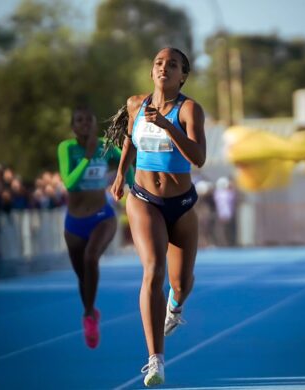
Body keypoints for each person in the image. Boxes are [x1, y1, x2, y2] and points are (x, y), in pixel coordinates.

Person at [110, 47, 206, 387]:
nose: (165, 68)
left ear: (183, 76)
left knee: (182, 282)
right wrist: (122, 173)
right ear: (152, 72)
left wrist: (167, 124)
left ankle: (175, 308)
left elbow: (199, 157)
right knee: (154, 269)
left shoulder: (189, 109)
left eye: (173, 64)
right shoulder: (136, 103)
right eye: (159, 63)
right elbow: (130, 139)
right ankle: (156, 361)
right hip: (143, 198)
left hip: (181, 204)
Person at [57, 106, 134, 349]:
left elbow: (126, 159)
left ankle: (89, 317)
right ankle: (90, 311)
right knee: (83, 276)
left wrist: (132, 185)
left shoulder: (105, 145)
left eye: (89, 120)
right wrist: (88, 157)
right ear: (73, 126)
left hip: (102, 216)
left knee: (91, 259)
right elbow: (69, 182)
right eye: (79, 121)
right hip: (74, 222)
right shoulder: (67, 148)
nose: (85, 125)